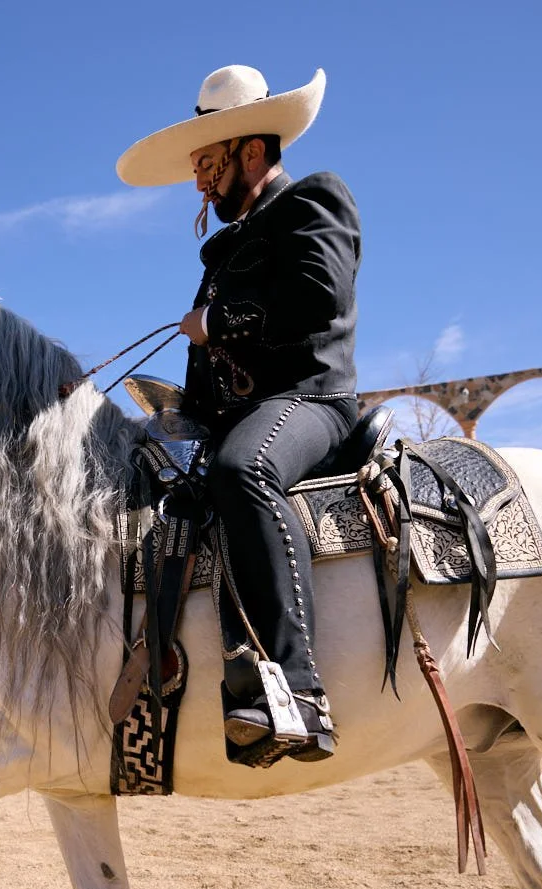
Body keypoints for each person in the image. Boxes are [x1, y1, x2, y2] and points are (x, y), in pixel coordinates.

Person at [116, 65, 361, 765]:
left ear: (250, 151)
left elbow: (320, 299)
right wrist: (172, 414)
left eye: (207, 164)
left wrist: (215, 319)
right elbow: (211, 371)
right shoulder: (223, 249)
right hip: (239, 413)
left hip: (312, 401)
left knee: (243, 467)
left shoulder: (315, 200)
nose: (199, 182)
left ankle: (300, 690)